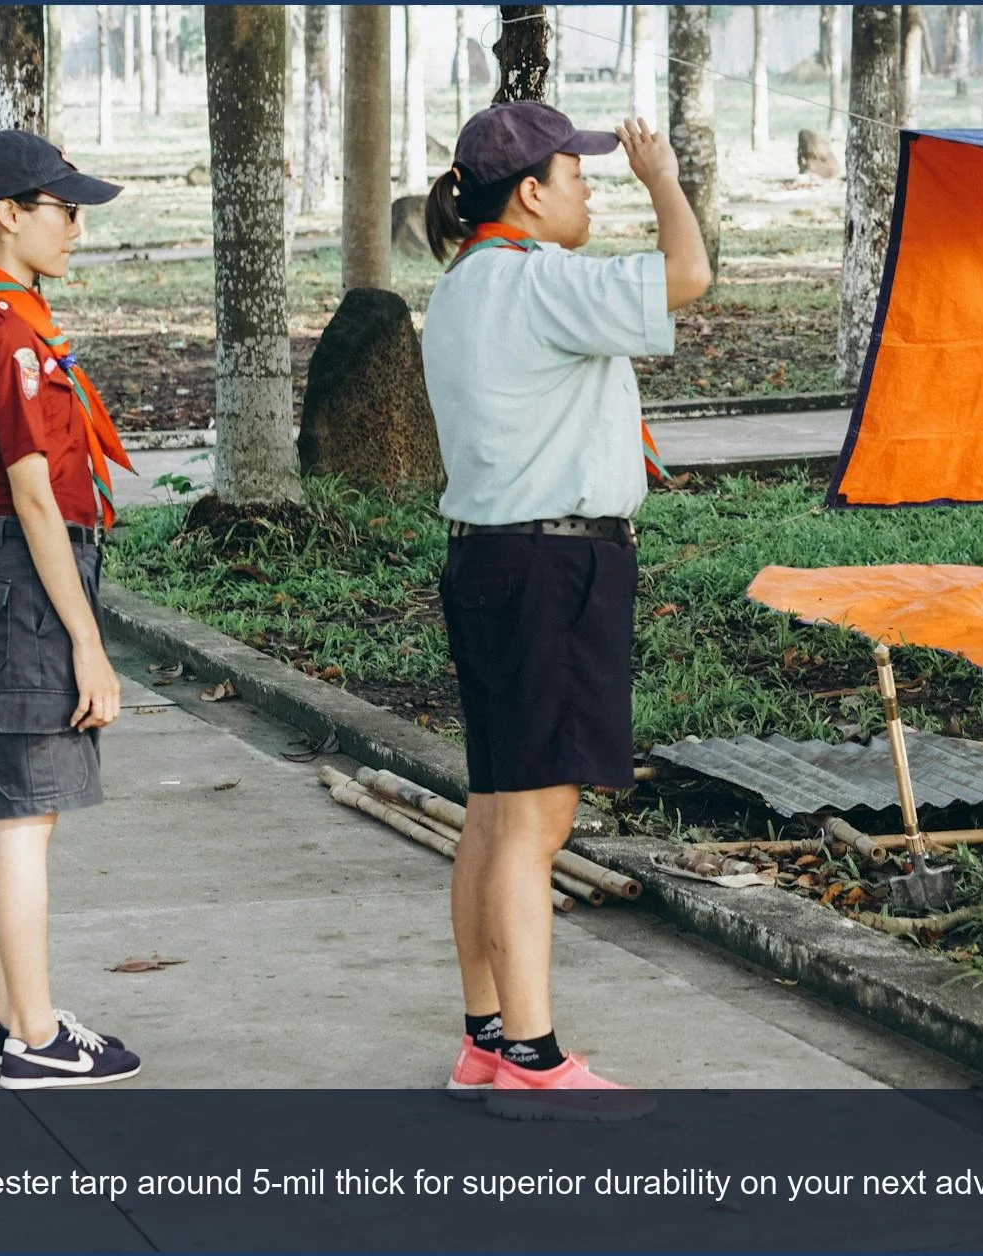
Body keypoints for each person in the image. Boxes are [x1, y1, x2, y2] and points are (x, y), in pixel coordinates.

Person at [419, 102, 711, 1119]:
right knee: (535, 822)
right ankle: (533, 1059)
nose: (590, 191)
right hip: (554, 566)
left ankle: (485, 1037)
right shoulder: (538, 279)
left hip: (490, 559)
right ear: (532, 193)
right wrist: (662, 180)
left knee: (494, 808)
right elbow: (688, 275)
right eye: (578, 177)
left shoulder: (462, 285)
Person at [0, 130, 142, 1090]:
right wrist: (88, 643)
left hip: (21, 574)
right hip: (34, 576)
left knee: (13, 807)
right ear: (8, 215)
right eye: (64, 209)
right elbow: (37, 497)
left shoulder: (5, 316)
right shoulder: (6, 334)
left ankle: (13, 1018)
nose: (76, 228)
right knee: (26, 816)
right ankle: (37, 1038)